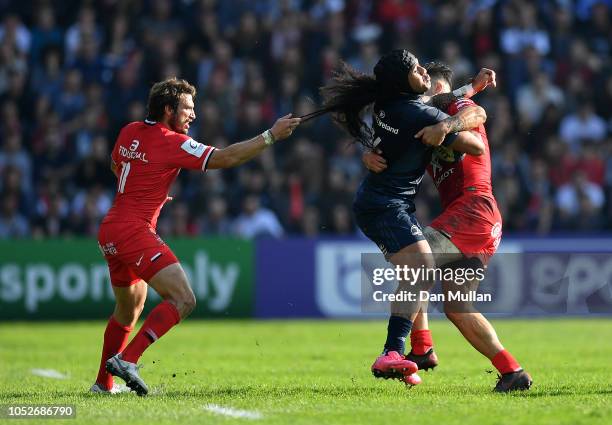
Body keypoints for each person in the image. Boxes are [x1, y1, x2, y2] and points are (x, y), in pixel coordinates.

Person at [92, 77, 300, 395]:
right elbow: (226, 158)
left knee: (128, 311)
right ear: (167, 110)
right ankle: (128, 360)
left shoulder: (129, 130)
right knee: (183, 299)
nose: (193, 115)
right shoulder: (170, 141)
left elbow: (115, 165)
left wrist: (148, 190)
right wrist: (271, 136)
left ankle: (102, 385)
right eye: (188, 109)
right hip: (134, 230)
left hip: (110, 229)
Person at [319, 49, 486, 386]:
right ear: (402, 81)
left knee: (416, 272)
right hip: (383, 206)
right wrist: (448, 126)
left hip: (384, 204)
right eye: (416, 68)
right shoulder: (417, 115)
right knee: (421, 267)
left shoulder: (391, 104)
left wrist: (466, 92)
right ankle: (395, 352)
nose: (423, 70)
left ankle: (410, 354)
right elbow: (476, 146)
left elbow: (433, 103)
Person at [363, 62, 532, 392]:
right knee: (457, 306)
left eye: (431, 89)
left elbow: (478, 115)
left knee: (415, 262)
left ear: (441, 88)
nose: (424, 96)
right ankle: (513, 372)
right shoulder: (423, 115)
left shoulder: (457, 107)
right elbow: (391, 147)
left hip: (474, 210)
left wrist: (450, 122)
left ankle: (421, 348)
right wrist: (368, 156)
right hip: (477, 220)